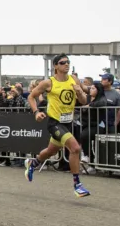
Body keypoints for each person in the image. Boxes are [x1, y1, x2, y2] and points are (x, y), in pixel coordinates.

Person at [23, 54, 90, 197]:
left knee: (50, 152)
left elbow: (84, 101)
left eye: (68, 62)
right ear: (55, 66)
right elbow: (31, 96)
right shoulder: (49, 83)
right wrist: (36, 112)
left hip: (68, 122)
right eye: (62, 62)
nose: (66, 64)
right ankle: (77, 184)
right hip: (55, 123)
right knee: (75, 148)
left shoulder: (74, 79)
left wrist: (79, 93)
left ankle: (32, 163)